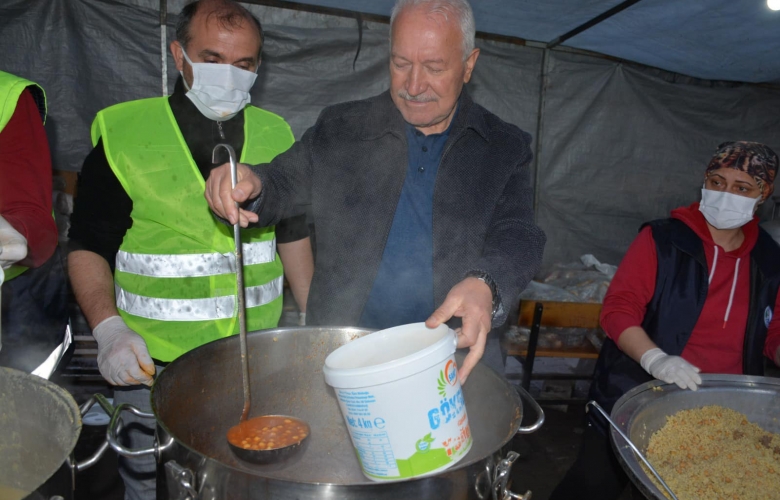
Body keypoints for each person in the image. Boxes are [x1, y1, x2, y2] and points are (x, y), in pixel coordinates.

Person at [205, 0, 546, 383]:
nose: (414, 86)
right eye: (401, 64)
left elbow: (519, 233)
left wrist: (488, 283)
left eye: (434, 67)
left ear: (469, 65)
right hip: (346, 354)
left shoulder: (503, 146)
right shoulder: (342, 128)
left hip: (452, 359)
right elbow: (283, 183)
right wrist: (251, 182)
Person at [67, 1, 313, 497]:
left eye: (245, 65)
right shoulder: (126, 134)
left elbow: (293, 233)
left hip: (252, 360)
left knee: (239, 477)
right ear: (179, 55)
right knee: (150, 478)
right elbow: (87, 244)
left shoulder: (276, 135)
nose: (230, 76)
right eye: (213, 58)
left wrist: (314, 319)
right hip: (151, 364)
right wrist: (109, 329)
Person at [550, 141, 780, 500]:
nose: (725, 194)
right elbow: (618, 309)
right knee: (593, 485)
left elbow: (773, 333)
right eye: (717, 182)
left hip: (723, 412)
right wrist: (655, 359)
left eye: (742, 188)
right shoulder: (663, 239)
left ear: (763, 195)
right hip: (637, 395)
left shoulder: (769, 260)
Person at [0, 70, 69, 378]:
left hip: (19, 293)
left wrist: (15, 232)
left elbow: (31, 214)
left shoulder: (7, 95)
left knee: (21, 415)